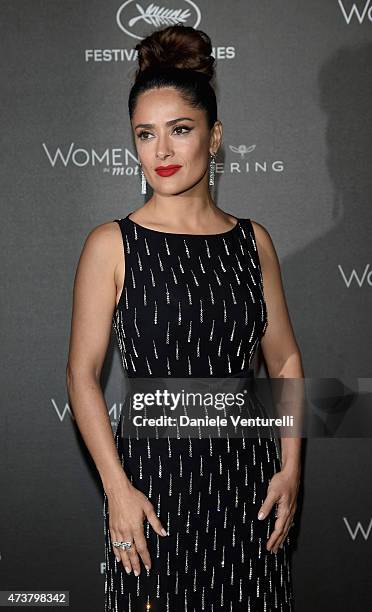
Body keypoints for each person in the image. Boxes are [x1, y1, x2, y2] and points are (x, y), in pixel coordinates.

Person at [66, 24, 302, 611]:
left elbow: (286, 359)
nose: (163, 152)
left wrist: (291, 468)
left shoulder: (254, 242)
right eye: (146, 135)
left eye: (180, 130)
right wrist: (117, 491)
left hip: (249, 488)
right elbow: (81, 376)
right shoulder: (111, 245)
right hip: (152, 491)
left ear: (214, 136)